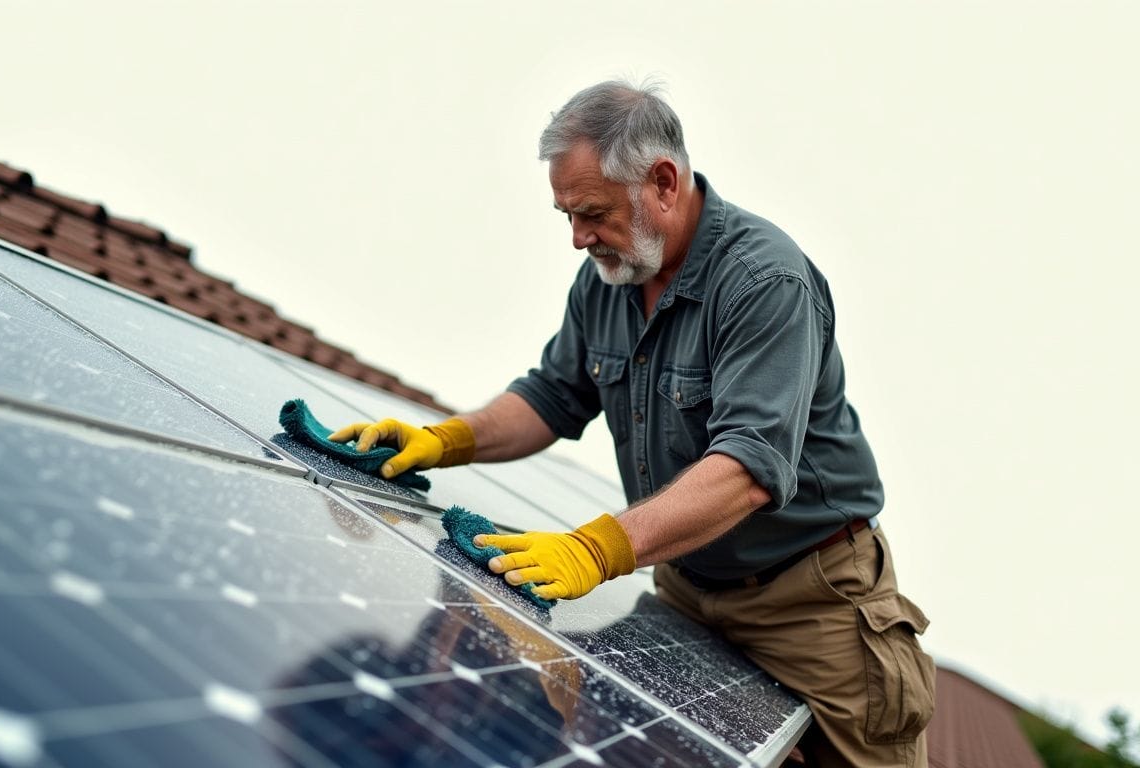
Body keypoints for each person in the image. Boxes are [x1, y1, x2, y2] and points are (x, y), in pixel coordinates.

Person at [329, 80, 935, 767]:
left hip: (812, 600)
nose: (578, 238)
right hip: (686, 586)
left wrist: (596, 550)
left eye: (592, 214)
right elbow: (555, 395)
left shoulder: (766, 282)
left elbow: (749, 469)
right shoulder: (607, 278)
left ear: (664, 183)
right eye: (566, 215)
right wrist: (446, 440)